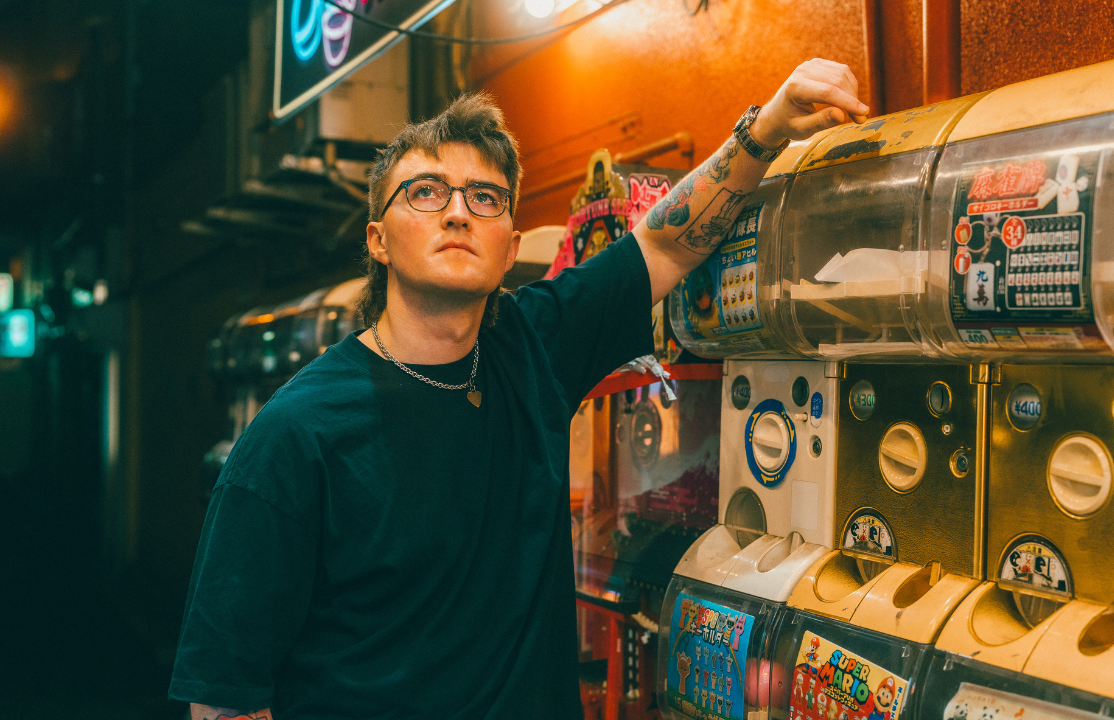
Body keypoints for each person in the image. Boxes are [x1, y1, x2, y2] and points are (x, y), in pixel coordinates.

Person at [169, 58, 868, 720]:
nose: (456, 212)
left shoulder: (530, 348)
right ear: (378, 241)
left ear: (508, 248)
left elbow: (664, 244)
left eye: (484, 198)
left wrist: (768, 126)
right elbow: (227, 692)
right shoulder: (293, 438)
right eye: (425, 191)